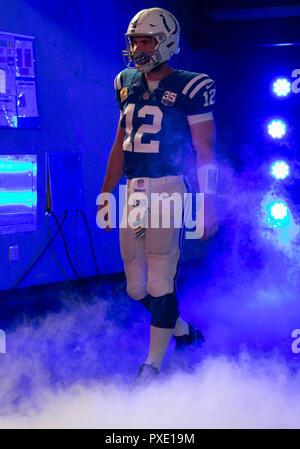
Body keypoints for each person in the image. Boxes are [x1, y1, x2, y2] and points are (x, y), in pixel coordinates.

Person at [97, 7, 218, 380]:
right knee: (135, 288)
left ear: (166, 43)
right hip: (134, 191)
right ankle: (182, 331)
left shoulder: (191, 85)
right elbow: (122, 143)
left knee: (159, 281)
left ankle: (152, 365)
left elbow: (205, 152)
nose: (138, 48)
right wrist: (106, 192)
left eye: (146, 40)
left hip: (168, 190)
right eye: (134, 41)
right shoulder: (125, 80)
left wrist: (208, 204)